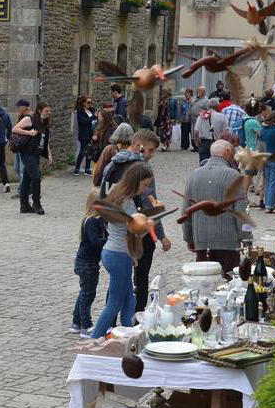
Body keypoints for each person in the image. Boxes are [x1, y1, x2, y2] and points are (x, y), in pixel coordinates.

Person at [100, 130, 172, 312]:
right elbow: (150, 204)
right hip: (140, 229)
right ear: (139, 145)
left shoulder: (113, 164)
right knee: (141, 277)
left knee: (118, 280)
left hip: (116, 229)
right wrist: (161, 236)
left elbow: (102, 194)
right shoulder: (142, 169)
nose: (152, 155)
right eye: (150, 150)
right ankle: (137, 319)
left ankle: (113, 321)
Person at [91, 162, 154, 339]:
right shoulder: (127, 203)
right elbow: (135, 230)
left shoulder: (118, 195)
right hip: (119, 255)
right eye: (145, 185)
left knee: (129, 300)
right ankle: (93, 340)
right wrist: (149, 224)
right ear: (136, 181)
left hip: (114, 252)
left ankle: (129, 336)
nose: (146, 189)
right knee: (115, 303)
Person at [181, 140, 245, 275]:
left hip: (202, 242)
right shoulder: (234, 177)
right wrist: (246, 238)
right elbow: (241, 214)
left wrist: (189, 239)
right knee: (229, 282)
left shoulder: (193, 176)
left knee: (205, 282)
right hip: (228, 242)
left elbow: (185, 213)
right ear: (227, 153)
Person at [71, 188, 106, 338]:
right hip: (87, 263)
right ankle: (86, 325)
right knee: (88, 294)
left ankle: (76, 322)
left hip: (86, 262)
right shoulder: (91, 221)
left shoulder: (97, 220)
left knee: (84, 292)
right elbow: (95, 241)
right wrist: (110, 241)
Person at [12, 101, 52, 214]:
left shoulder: (44, 122)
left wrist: (49, 154)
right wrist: (29, 133)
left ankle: (24, 205)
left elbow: (44, 140)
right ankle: (36, 203)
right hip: (27, 152)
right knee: (36, 176)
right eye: (46, 111)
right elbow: (15, 129)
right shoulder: (29, 119)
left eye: (49, 111)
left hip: (36, 153)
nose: (48, 113)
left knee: (26, 179)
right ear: (39, 110)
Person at [93, 122, 133, 188]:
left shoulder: (109, 149)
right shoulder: (134, 150)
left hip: (110, 187)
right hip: (128, 188)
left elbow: (99, 170)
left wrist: (96, 183)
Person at [194, 99, 227, 164]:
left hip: (204, 142)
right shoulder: (222, 116)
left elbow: (196, 131)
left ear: (208, 106)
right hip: (217, 142)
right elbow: (225, 131)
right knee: (216, 163)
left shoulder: (201, 116)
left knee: (203, 163)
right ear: (218, 106)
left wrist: (196, 140)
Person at [12, 99, 31, 196]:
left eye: (19, 106)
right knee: (17, 168)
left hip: (25, 147)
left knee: (23, 170)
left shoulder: (29, 117)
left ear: (25, 107)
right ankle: (27, 186)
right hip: (19, 146)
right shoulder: (21, 117)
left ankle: (22, 191)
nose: (18, 108)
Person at [73, 95, 97, 175]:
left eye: (91, 102)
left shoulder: (91, 110)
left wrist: (94, 117)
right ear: (84, 103)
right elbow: (83, 122)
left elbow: (95, 120)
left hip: (91, 133)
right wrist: (93, 117)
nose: (90, 104)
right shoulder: (80, 111)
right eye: (88, 102)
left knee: (90, 151)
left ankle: (87, 168)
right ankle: (77, 168)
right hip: (83, 134)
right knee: (83, 151)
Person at [188, 85, 208, 151]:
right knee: (193, 133)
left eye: (199, 90)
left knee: (198, 133)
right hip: (193, 119)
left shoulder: (206, 100)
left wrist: (203, 116)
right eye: (198, 90)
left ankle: (199, 146)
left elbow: (207, 111)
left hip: (200, 120)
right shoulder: (195, 98)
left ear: (204, 92)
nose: (198, 91)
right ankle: (195, 146)